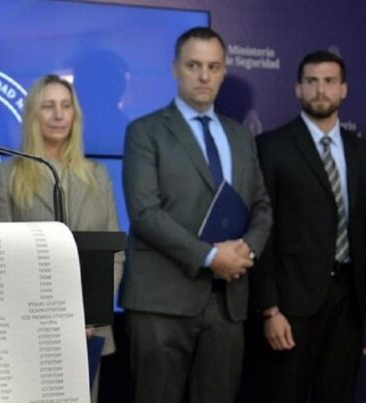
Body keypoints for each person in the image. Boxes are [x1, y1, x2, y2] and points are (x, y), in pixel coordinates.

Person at [119, 27, 271, 403]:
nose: (204, 76)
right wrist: (210, 256)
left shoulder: (241, 136)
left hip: (227, 301)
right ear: (175, 69)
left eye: (213, 67)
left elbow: (262, 207)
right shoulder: (145, 131)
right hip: (161, 303)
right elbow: (144, 212)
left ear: (223, 72)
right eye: (194, 65)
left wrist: (246, 250)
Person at [0, 74, 123, 402]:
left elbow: (115, 255)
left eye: (66, 105)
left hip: (89, 331)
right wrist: (51, 320)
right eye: (48, 106)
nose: (59, 115)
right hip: (30, 331)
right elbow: (3, 259)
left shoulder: (99, 176)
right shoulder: (5, 177)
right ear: (33, 114)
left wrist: (89, 314)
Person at [251, 50, 366, 403]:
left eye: (330, 81)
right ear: (298, 88)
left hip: (350, 305)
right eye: (312, 81)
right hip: (291, 306)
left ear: (344, 89)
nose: (321, 90)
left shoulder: (360, 150)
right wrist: (270, 309)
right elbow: (262, 232)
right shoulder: (272, 147)